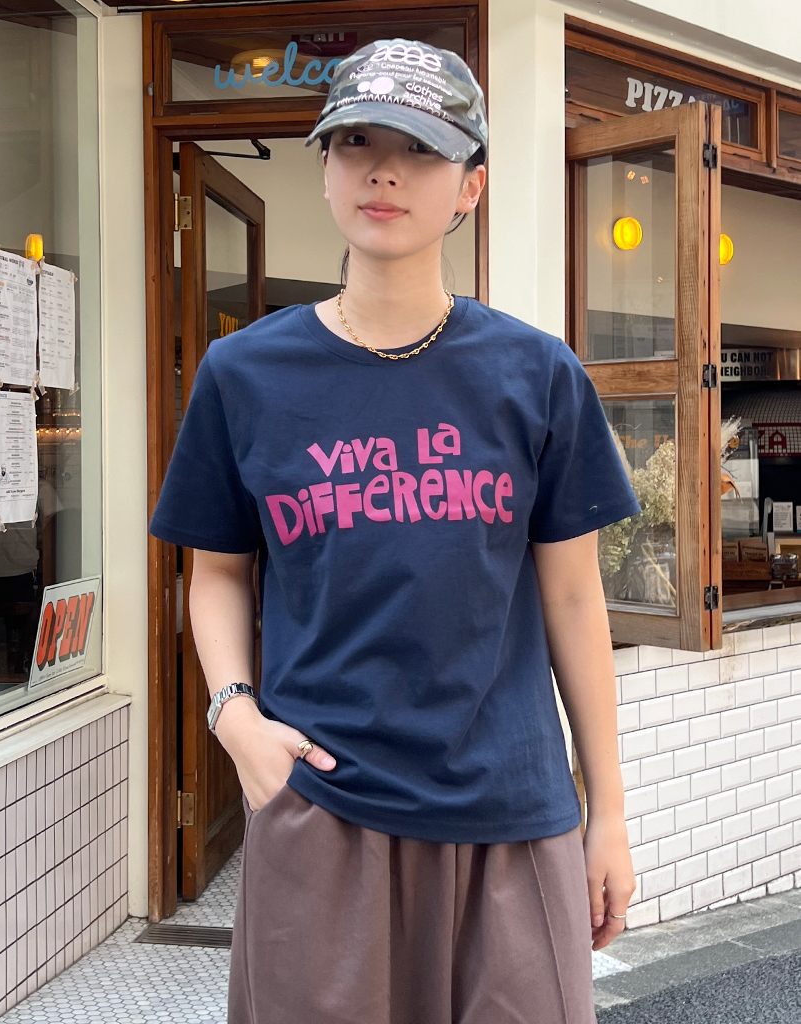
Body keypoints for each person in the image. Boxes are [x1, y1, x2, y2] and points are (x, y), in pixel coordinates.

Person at [150, 36, 642, 1024]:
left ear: (470, 189)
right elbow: (217, 573)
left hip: (511, 811)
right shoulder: (244, 375)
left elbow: (572, 596)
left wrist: (610, 811)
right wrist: (235, 718)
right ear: (325, 169)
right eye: (357, 142)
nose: (384, 170)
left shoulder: (537, 375)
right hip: (323, 805)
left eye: (421, 149)